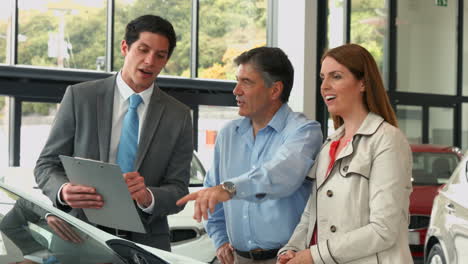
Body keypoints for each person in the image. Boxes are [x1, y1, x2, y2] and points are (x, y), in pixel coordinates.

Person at [34, 14, 193, 251]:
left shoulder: (178, 115)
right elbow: (46, 165)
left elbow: (179, 189)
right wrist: (63, 191)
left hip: (146, 244)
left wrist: (148, 196)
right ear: (125, 47)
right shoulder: (81, 97)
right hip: (79, 236)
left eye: (160, 55)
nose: (150, 61)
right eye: (143, 50)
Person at [177, 47, 323, 264]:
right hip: (238, 259)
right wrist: (220, 239)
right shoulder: (228, 134)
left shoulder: (304, 131)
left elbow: (280, 175)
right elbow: (213, 192)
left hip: (288, 259)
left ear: (275, 90)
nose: (236, 90)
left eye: (246, 82)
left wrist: (229, 189)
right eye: (237, 81)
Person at [277, 43, 413, 264]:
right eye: (323, 77)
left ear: (363, 83)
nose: (325, 86)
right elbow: (312, 214)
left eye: (336, 76)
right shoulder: (329, 144)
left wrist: (313, 255)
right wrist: (291, 249)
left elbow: (383, 229)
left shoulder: (387, 140)